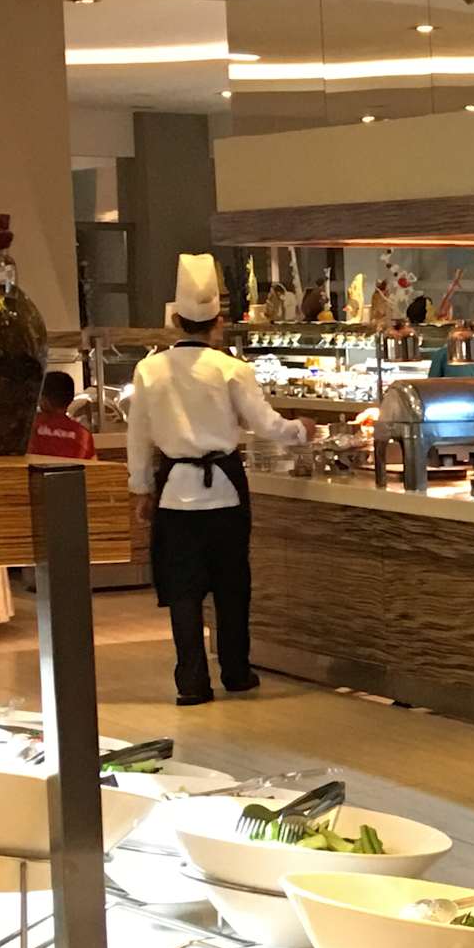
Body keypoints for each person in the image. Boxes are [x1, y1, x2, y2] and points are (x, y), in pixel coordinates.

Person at [126, 254, 309, 706]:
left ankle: (191, 682)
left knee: (182, 591)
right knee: (231, 586)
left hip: (174, 493)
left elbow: (138, 436)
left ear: (175, 320)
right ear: (218, 322)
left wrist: (141, 488)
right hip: (225, 490)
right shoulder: (231, 369)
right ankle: (236, 671)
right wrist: (301, 430)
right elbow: (266, 425)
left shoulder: (150, 369)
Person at [29, 371, 97, 460]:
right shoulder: (83, 435)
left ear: (44, 400)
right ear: (71, 400)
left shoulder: (29, 427)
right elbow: (93, 464)